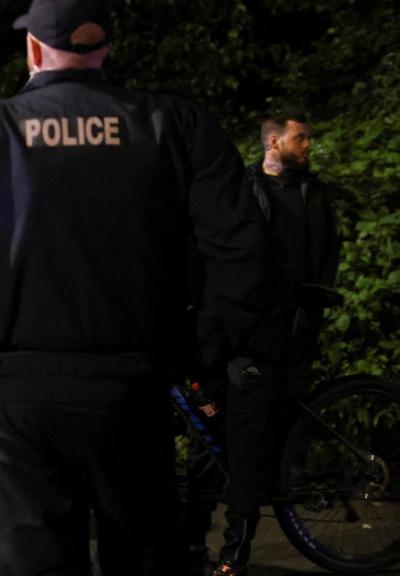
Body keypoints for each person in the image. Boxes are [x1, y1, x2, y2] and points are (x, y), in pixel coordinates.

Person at [0, 0, 269, 574]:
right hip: (134, 392)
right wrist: (199, 350)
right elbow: (245, 251)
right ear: (105, 48)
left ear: (34, 49)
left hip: (19, 399)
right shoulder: (172, 124)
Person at [211, 113, 339, 576]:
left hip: (296, 328)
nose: (307, 146)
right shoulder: (245, 188)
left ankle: (256, 526)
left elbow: (328, 253)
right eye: (300, 138)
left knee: (278, 430)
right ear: (273, 141)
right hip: (252, 331)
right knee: (235, 438)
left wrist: (316, 305)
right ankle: (231, 547)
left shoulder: (313, 192)